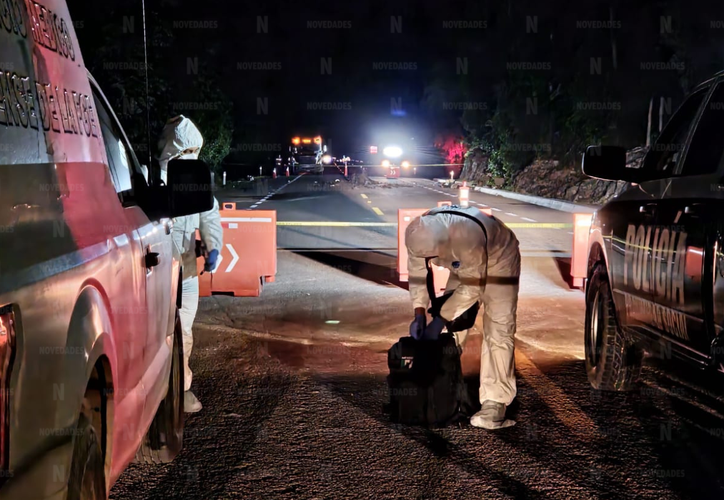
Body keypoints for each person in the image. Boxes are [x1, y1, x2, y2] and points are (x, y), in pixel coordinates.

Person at [405, 205, 521, 429]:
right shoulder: (417, 231)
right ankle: (444, 385)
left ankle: (494, 403)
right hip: (463, 263)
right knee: (453, 325)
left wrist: (439, 320)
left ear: (443, 244)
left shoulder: (467, 236)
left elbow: (473, 287)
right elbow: (418, 273)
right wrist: (419, 312)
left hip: (500, 257)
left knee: (498, 326)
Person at [157, 115, 223, 413]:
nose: (192, 157)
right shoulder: (151, 179)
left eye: (195, 151)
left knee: (183, 329)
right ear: (173, 149)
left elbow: (209, 214)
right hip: (154, 268)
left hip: (185, 268)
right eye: (187, 151)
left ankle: (181, 389)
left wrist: (214, 247)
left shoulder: (196, 181)